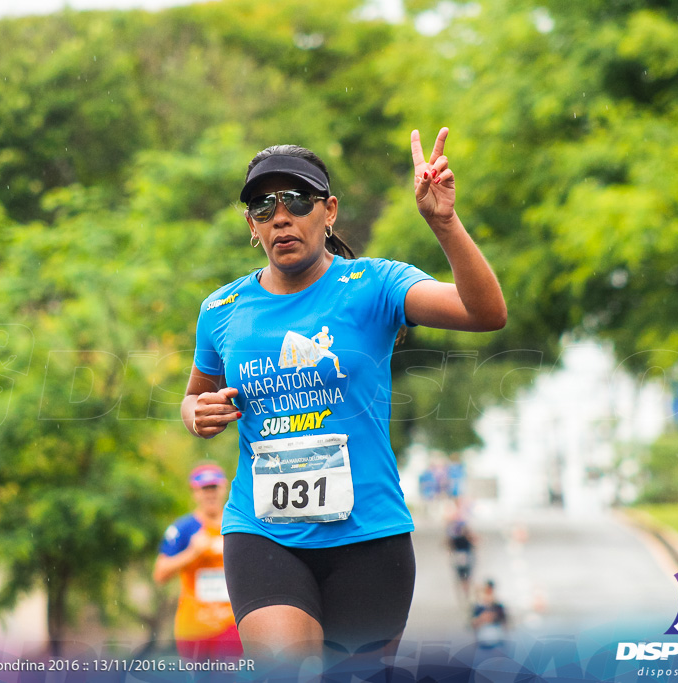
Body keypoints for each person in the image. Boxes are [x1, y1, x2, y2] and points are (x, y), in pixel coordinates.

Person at [181, 128, 506, 666]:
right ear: (251, 226)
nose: (280, 217)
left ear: (328, 211)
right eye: (263, 207)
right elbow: (194, 397)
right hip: (264, 533)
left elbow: (485, 314)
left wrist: (443, 224)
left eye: (297, 201)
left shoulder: (375, 285)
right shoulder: (221, 308)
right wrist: (197, 413)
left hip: (369, 537)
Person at [153, 463, 243, 660]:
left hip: (231, 622)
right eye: (204, 489)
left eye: (214, 488)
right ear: (194, 492)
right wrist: (192, 553)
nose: (210, 494)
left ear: (224, 487)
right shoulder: (183, 528)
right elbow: (160, 574)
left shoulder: (238, 523)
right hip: (193, 626)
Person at [471, 579, 508, 649]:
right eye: (486, 591)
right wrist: (481, 619)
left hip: (497, 637)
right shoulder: (478, 607)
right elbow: (473, 624)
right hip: (483, 638)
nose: (488, 594)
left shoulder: (498, 606)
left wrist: (494, 617)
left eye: (490, 591)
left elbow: (504, 622)